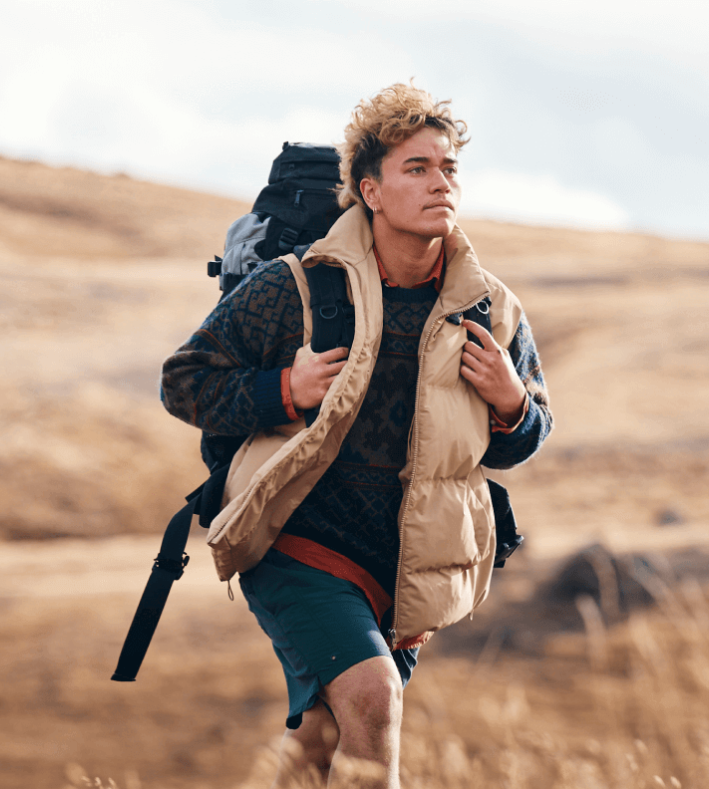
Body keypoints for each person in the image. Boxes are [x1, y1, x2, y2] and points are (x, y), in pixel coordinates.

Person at [160, 82, 552, 788]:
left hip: (401, 570)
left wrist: (512, 401)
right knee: (373, 699)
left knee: (322, 741)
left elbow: (520, 441)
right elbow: (185, 380)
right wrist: (285, 388)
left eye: (448, 168)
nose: (440, 183)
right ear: (369, 191)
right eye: (417, 168)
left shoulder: (488, 307)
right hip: (298, 544)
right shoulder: (300, 287)